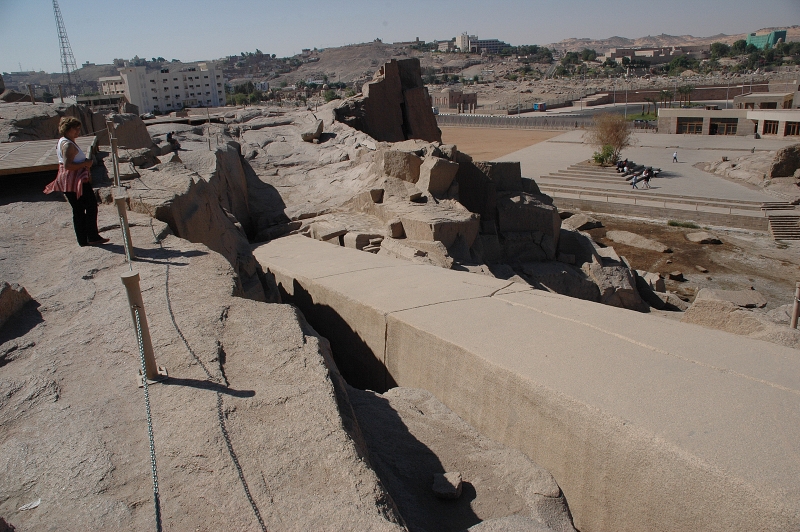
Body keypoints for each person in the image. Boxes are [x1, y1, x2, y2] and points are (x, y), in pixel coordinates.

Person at [43, 116, 109, 247]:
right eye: (76, 129)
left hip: (70, 180)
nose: (78, 131)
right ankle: (92, 236)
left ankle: (84, 239)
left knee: (79, 209)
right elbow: (68, 165)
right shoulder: (68, 145)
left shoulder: (64, 141)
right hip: (74, 181)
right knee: (89, 206)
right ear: (68, 129)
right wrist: (86, 163)